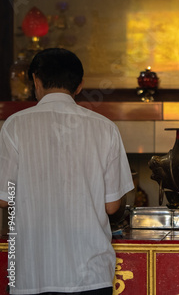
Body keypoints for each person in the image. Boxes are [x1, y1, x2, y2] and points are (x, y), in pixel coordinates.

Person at [0, 48, 134, 294]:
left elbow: (3, 196)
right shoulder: (105, 128)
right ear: (80, 85)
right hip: (90, 274)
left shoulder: (14, 126)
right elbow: (112, 206)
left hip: (31, 273)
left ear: (36, 81)